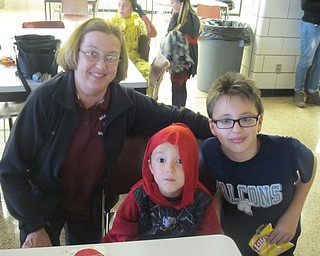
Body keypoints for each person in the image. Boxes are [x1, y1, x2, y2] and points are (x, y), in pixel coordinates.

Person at [0, 18, 213, 248]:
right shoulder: (45, 100)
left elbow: (177, 116)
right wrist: (33, 226)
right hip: (41, 206)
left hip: (89, 207)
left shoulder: (124, 104)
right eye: (92, 54)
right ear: (76, 54)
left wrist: (222, 126)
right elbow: (11, 170)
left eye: (110, 57)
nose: (101, 66)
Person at [202, 72, 316, 255]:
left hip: (278, 242)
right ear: (213, 127)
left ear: (260, 121)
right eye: (225, 120)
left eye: (246, 118)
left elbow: (311, 164)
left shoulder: (287, 150)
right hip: (233, 240)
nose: (236, 129)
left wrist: (293, 214)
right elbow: (217, 191)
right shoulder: (210, 151)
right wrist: (216, 227)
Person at [102, 123, 222, 242]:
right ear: (150, 166)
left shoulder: (202, 200)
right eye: (161, 160)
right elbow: (122, 233)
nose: (170, 168)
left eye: (180, 161)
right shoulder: (138, 195)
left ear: (192, 166)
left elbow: (211, 240)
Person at [111, 0, 157, 96]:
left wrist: (143, 16)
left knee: (149, 73)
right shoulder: (112, 22)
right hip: (115, 59)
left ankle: (145, 102)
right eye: (119, 5)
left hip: (134, 59)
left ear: (133, 7)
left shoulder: (137, 21)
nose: (121, 8)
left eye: (125, 5)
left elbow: (152, 33)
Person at [163, 0, 201, 108]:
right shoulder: (194, 17)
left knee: (176, 87)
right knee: (182, 86)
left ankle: (176, 112)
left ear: (181, 3)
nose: (171, 4)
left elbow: (168, 38)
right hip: (190, 58)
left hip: (178, 60)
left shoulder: (177, 18)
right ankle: (182, 110)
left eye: (172, 2)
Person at [294, 0, 320, 108]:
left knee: (319, 62)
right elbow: (305, 5)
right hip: (311, 25)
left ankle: (313, 92)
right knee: (306, 60)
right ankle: (298, 91)